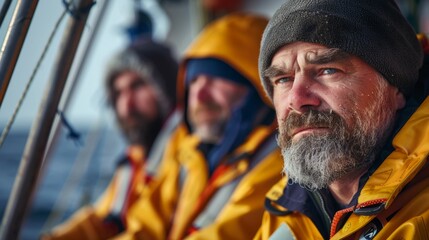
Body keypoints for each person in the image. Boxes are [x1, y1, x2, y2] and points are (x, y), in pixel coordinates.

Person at [254, 0, 429, 239]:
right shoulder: (284, 212)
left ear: (396, 87)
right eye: (283, 79)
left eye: (327, 70)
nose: (296, 99)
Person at [116, 12, 283, 240]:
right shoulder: (186, 148)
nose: (200, 95)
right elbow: (144, 228)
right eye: (193, 81)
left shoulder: (279, 163)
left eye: (216, 78)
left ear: (256, 88)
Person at [43, 39, 181, 239]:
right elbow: (103, 219)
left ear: (166, 88)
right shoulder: (135, 160)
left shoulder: (186, 153)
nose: (127, 104)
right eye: (118, 93)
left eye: (138, 86)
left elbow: (149, 231)